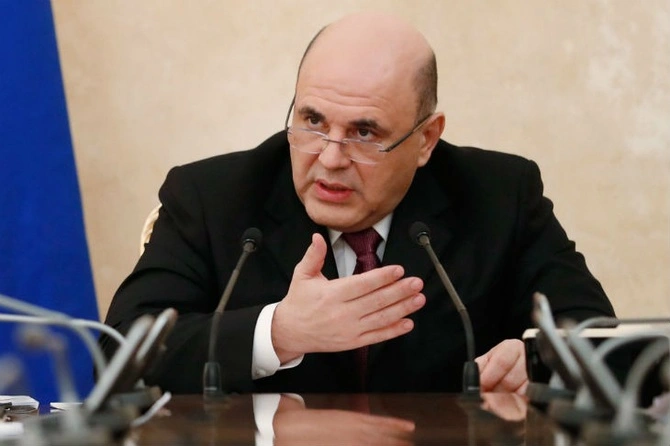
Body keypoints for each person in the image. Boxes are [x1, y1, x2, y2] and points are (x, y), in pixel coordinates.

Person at [101, 12, 615, 395]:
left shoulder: (499, 195)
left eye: (364, 132)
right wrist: (278, 332)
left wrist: (539, 361)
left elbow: (603, 342)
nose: (329, 158)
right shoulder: (212, 197)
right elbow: (119, 351)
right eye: (312, 121)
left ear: (426, 139)